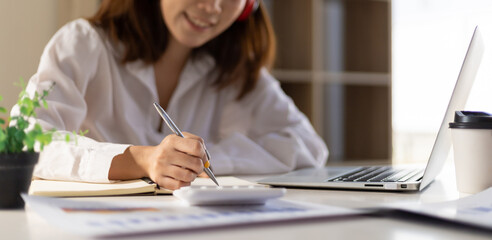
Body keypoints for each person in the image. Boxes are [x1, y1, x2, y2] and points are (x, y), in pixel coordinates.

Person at [16, 0, 328, 190]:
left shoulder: (231, 68)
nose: (213, 7)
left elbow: (308, 146)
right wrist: (141, 159)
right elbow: (26, 142)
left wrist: (200, 160)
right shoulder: (82, 44)